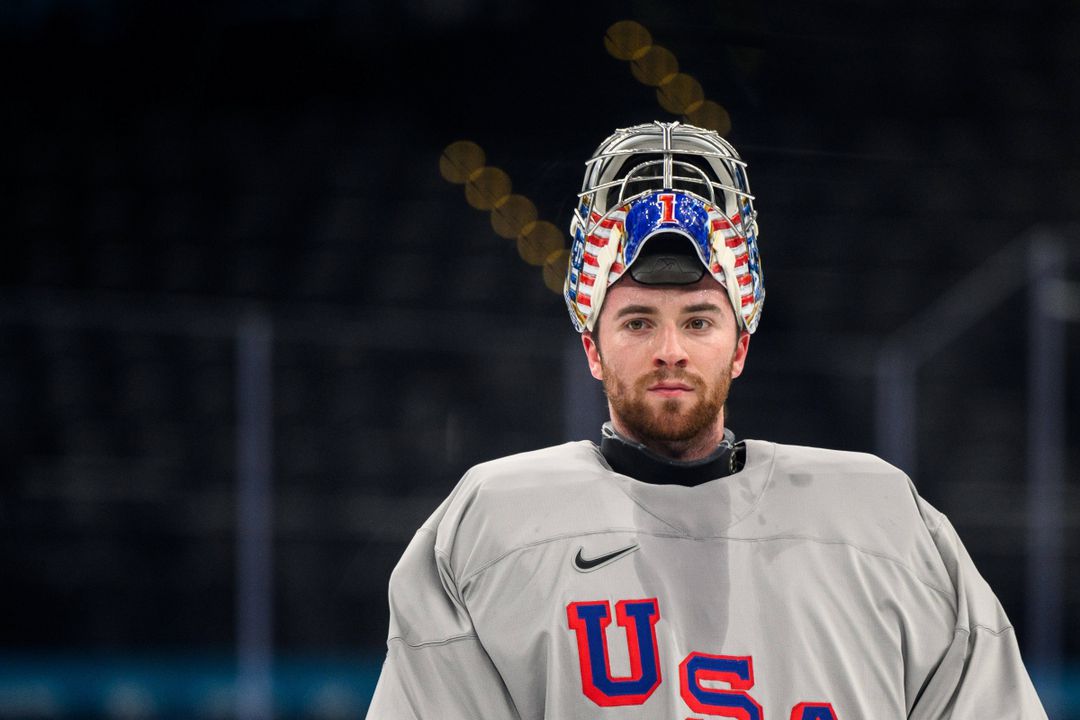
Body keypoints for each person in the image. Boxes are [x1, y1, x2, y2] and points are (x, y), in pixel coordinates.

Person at [365, 121, 1047, 718]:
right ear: (593, 349)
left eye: (698, 321)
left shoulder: (886, 521)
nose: (670, 350)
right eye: (638, 322)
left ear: (740, 346)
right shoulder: (488, 526)